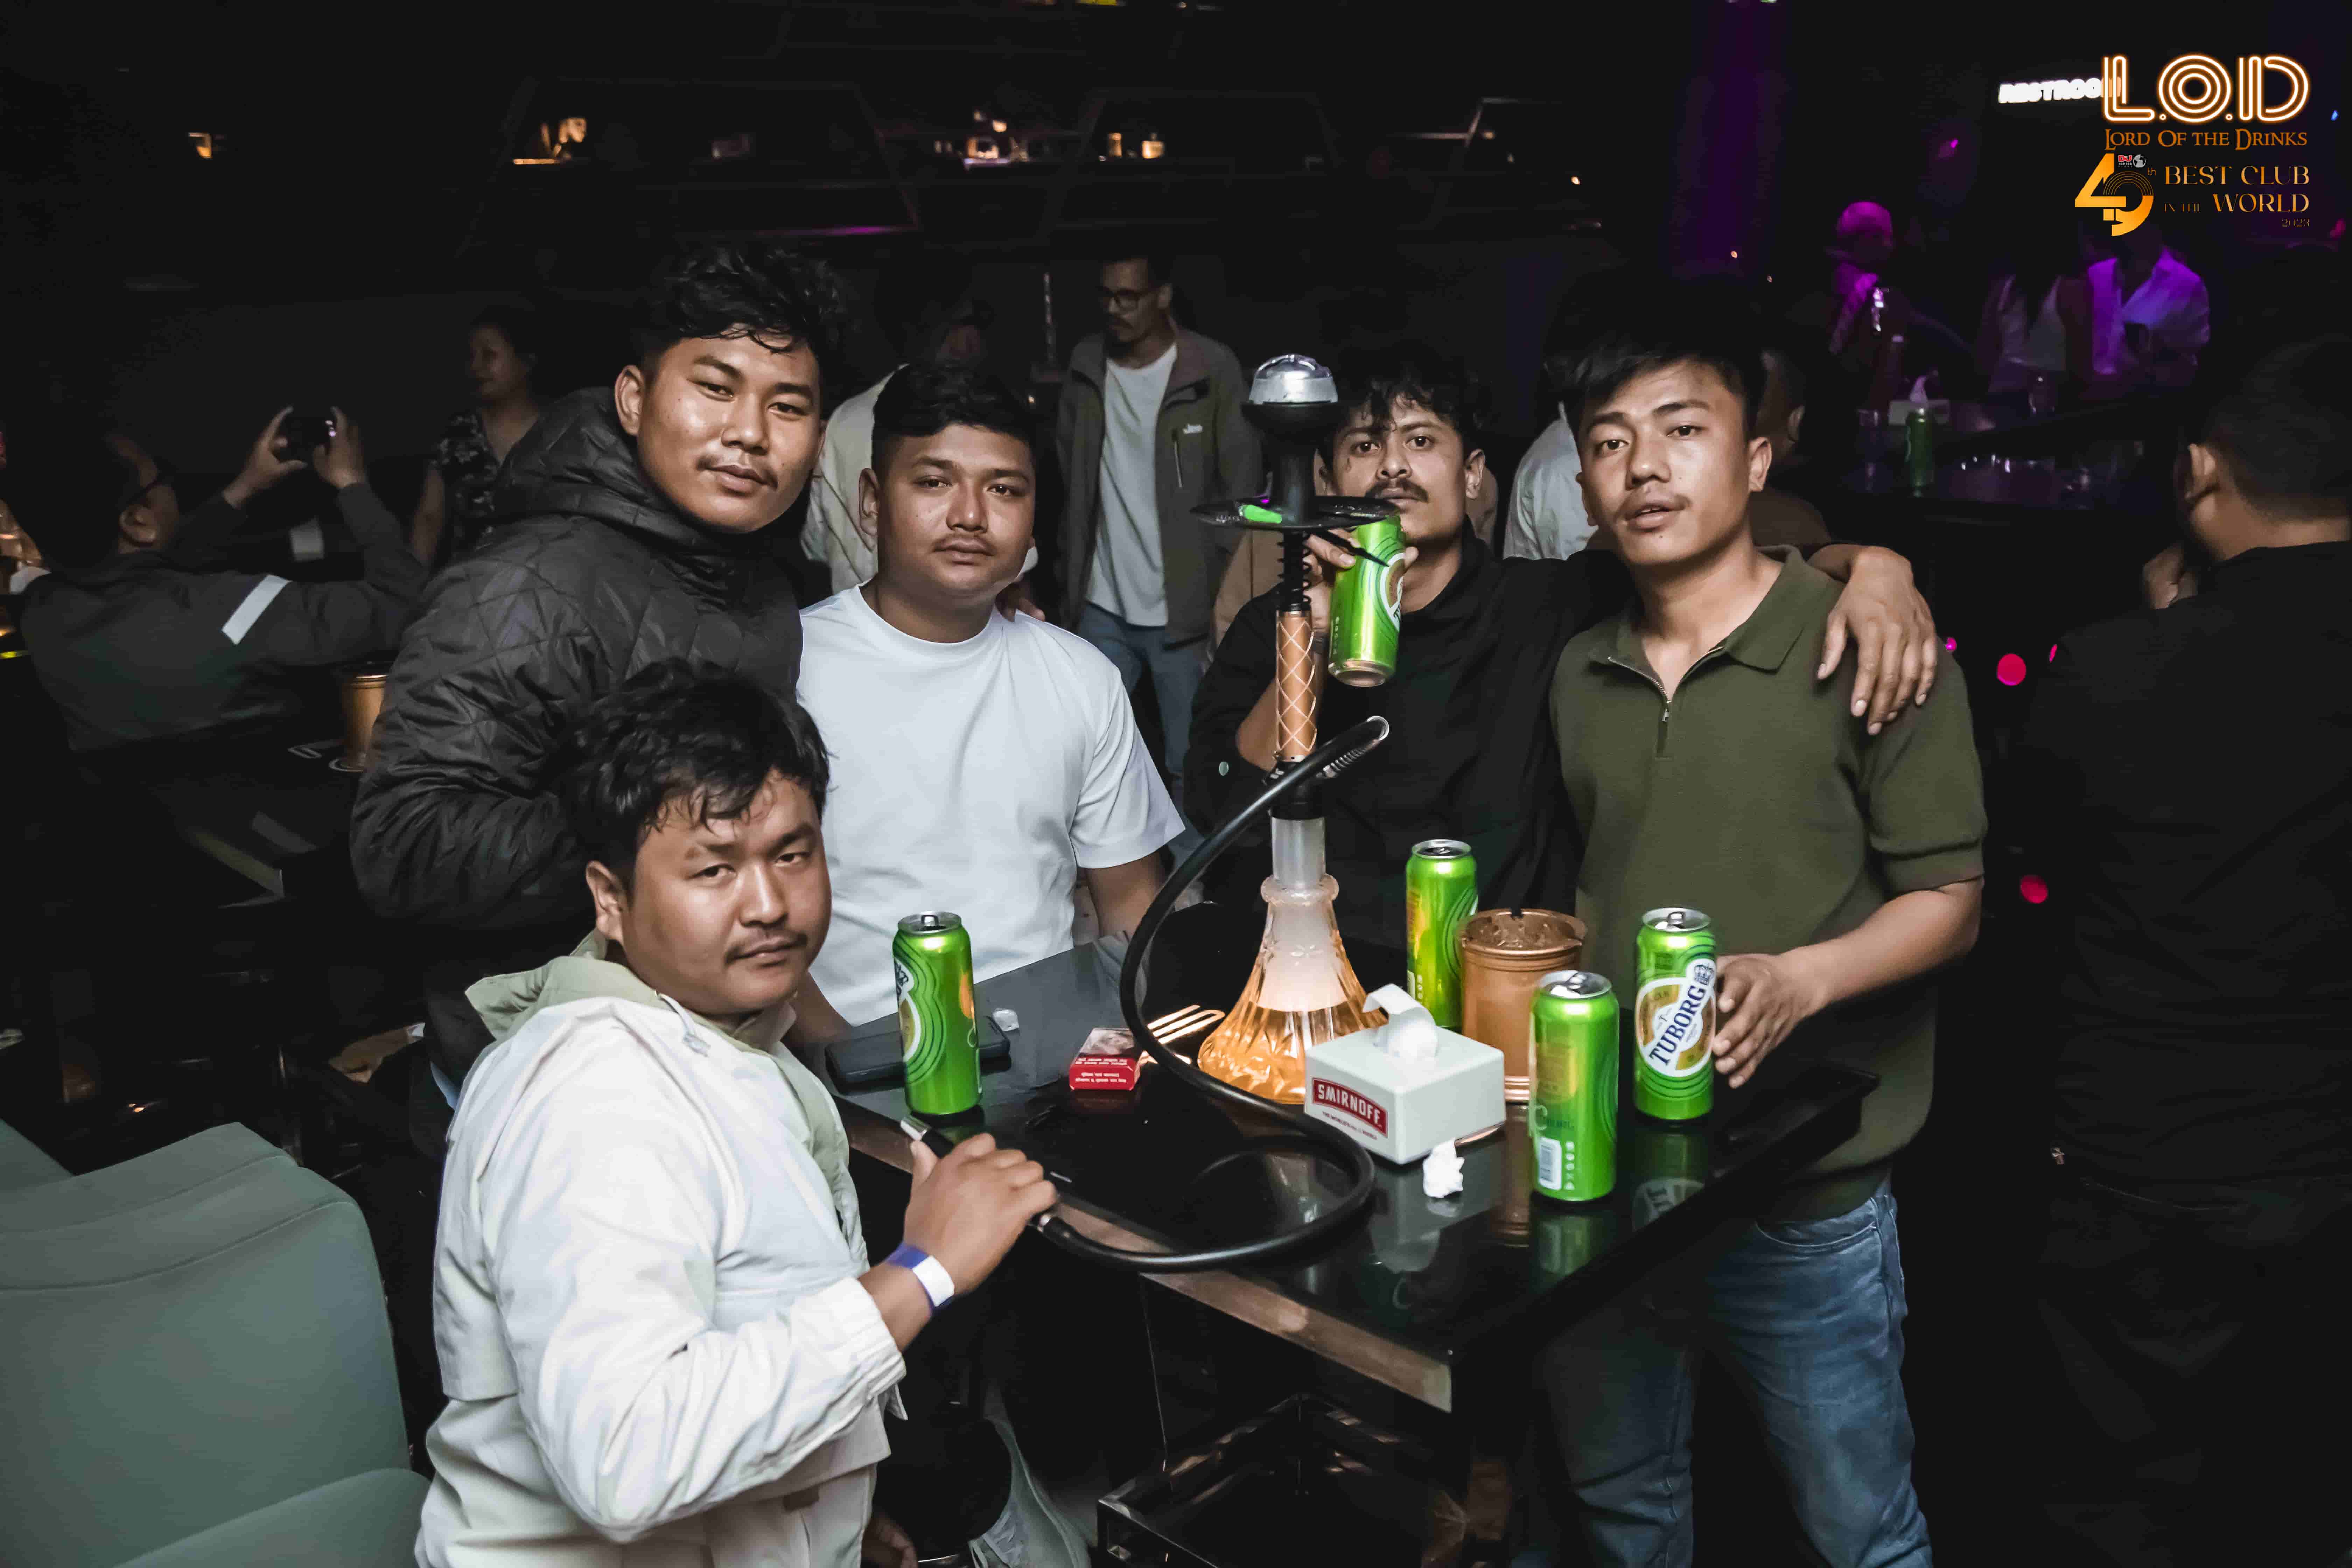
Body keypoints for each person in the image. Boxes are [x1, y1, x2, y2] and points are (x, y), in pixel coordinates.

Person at [416, 660, 1057, 1567]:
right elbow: (627, 1459)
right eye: (713, 869)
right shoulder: (595, 1100)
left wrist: (827, 1520)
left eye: (792, 855)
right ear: (611, 899)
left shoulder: (728, 1034)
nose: (768, 906)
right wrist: (922, 1270)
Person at [1541, 295, 1985, 1568]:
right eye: (1608, 440)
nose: (1641, 465)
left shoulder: (1865, 643)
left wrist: (1800, 979)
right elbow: (1598, 878)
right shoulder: (1578, 670)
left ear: (1753, 458)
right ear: (1582, 484)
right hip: (1615, 1179)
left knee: (1858, 1530)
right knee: (1620, 1510)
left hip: (1807, 1192)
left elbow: (1950, 903)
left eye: (1680, 429)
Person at [1186, 342, 1941, 948]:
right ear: (1328, 479)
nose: (1392, 466)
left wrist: (1870, 564)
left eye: (1421, 440)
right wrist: (1311, 641)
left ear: (1474, 475)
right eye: (1364, 444)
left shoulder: (1548, 603)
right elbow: (1222, 809)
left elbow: (1719, 563)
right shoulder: (1273, 624)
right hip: (1322, 974)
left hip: (1503, 985)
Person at [351, 241, 848, 1133]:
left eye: (788, 406)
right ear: (633, 398)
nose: (749, 432)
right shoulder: (526, 583)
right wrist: (643, 835)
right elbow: (401, 843)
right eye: (715, 388)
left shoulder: (756, 576)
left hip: (712, 1058)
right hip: (560, 1079)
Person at [2017, 335, 2352, 1566]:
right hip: (2329, 1158)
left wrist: (2167, 631)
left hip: (2140, 1156)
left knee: (2117, 1499)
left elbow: (2040, 869)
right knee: (2308, 1490)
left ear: (2200, 471)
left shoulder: (2113, 668)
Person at [797, 363, 1183, 1027]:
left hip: (1048, 1050)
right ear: (871, 503)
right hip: (841, 1057)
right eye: (934, 482)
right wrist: (833, 1062)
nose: (970, 516)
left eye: (1004, 489)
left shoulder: (1081, 678)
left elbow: (1131, 907)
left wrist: (1115, 1049)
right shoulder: (792, 668)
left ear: (1033, 522)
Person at [10, 408, 425, 752]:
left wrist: (246, 486)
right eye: (162, 476)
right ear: (137, 521)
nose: (172, 486)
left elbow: (148, 567)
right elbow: (404, 605)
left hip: (136, 814)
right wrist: (353, 484)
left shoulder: (40, 612)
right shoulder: (239, 611)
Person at [1056, 247, 1260, 783]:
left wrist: (1223, 596)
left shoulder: (1210, 368)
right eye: (1106, 297)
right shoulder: (1086, 364)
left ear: (1162, 296)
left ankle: (1190, 847)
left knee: (1190, 766)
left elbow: (1242, 491)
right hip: (1101, 603)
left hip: (1184, 612)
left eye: (1129, 297)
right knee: (1078, 756)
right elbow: (1066, 476)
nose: (1114, 309)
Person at [800, 251, 996, 595]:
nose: (979, 336)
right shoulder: (978, 423)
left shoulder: (844, 419)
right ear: (941, 328)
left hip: (856, 618)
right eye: (972, 320)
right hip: (953, 620)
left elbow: (816, 545)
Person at [408, 303, 548, 567]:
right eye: (471, 356)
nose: (476, 366)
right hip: (470, 584)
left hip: (545, 581)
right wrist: (409, 584)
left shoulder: (559, 430)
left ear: (526, 362)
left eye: (488, 355)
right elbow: (429, 519)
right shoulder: (457, 435)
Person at [2086, 219, 2210, 394]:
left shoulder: (2187, 284)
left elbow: (2191, 357)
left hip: (2151, 399)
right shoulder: (2096, 274)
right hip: (2088, 397)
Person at [1973, 221, 2091, 397]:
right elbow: (2081, 367)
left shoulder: (2001, 291)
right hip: (2052, 399)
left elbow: (1983, 361)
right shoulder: (2070, 292)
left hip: (2004, 395)